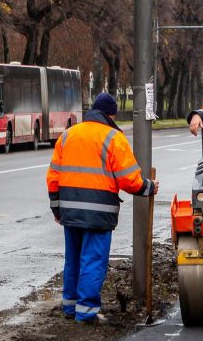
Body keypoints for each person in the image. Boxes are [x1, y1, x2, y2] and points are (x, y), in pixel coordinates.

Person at [46, 93, 159, 324]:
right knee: (93, 260)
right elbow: (129, 179)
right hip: (98, 211)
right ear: (112, 115)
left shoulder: (68, 134)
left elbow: (53, 177)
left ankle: (70, 306)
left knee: (73, 259)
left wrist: (57, 209)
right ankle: (86, 313)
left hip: (70, 210)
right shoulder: (113, 137)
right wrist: (148, 187)